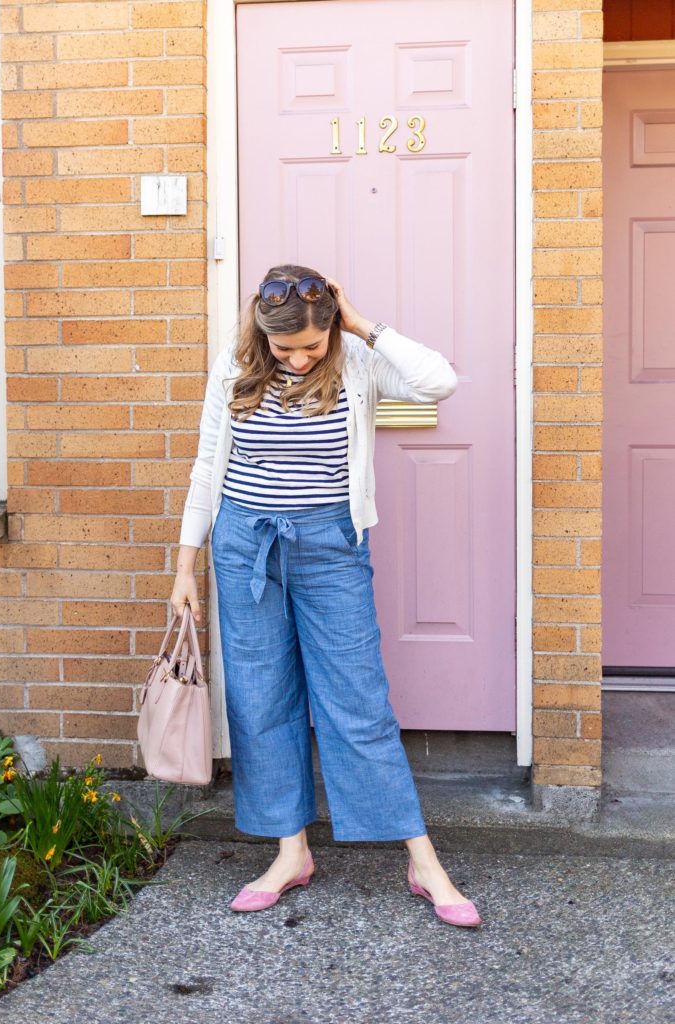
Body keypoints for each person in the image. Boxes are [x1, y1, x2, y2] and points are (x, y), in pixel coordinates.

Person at [170, 263, 482, 928]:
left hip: (330, 544)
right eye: (284, 348)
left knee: (356, 697)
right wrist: (184, 567)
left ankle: (422, 861)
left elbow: (438, 381)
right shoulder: (233, 364)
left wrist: (360, 321)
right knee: (260, 696)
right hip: (243, 544)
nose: (298, 357)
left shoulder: (356, 358)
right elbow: (207, 464)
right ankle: (290, 853)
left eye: (310, 345)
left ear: (330, 325)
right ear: (261, 332)